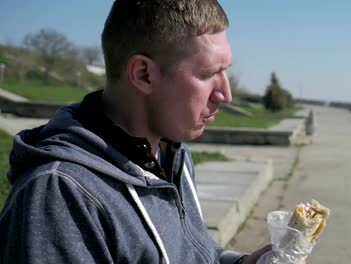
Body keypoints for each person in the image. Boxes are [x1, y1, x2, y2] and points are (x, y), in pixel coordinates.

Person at [0, 0, 271, 263]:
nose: (226, 94)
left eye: (226, 71)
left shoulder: (171, 155)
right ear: (143, 74)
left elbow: (192, 251)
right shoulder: (59, 195)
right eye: (209, 73)